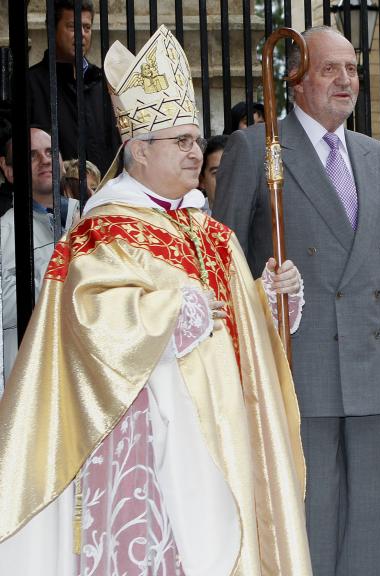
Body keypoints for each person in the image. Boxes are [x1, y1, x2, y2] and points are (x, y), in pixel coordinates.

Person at [0, 26, 312, 574]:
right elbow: (89, 319)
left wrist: (269, 300)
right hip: (149, 433)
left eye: (197, 139)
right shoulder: (107, 229)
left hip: (225, 434)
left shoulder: (209, 229)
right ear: (139, 151)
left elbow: (241, 330)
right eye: (183, 141)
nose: (198, 152)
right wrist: (173, 314)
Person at [214, 26, 380, 576]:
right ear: (295, 79)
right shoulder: (254, 147)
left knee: (374, 520)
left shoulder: (375, 154)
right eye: (331, 69)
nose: (346, 80)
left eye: (352, 69)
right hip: (300, 366)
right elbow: (223, 262)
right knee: (313, 520)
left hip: (375, 366)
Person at [0, 127, 80, 381]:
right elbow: (7, 312)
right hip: (31, 375)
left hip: (84, 371)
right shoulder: (5, 233)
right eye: (32, 155)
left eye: (49, 152)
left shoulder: (90, 217)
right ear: (9, 170)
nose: (45, 160)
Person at [26, 0, 121, 173]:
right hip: (57, 196)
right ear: (52, 30)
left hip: (106, 193)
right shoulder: (30, 83)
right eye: (72, 27)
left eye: (86, 27)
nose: (81, 34)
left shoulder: (105, 82)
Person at [198, 134, 229, 206]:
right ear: (201, 180)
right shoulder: (189, 216)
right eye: (217, 173)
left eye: (234, 171)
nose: (228, 180)